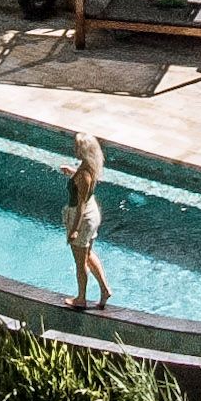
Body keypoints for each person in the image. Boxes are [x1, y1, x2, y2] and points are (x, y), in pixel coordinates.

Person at [63, 131, 111, 309]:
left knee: (80, 260)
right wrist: (73, 173)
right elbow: (85, 183)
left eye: (77, 146)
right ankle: (105, 290)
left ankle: (81, 298)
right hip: (92, 213)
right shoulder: (90, 166)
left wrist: (74, 230)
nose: (74, 149)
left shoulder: (84, 175)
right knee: (88, 254)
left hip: (83, 217)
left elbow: (81, 206)